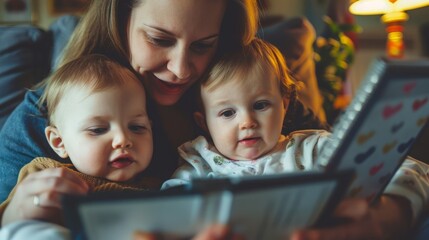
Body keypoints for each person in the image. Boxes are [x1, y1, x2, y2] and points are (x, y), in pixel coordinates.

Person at [0, 0, 426, 239]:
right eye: (160, 40)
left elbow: (354, 170)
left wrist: (385, 218)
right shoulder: (46, 114)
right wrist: (12, 215)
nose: (183, 68)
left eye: (204, 45)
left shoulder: (250, 88)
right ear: (120, 19)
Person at [1, 54, 155, 227]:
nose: (123, 140)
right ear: (59, 142)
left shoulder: (160, 187)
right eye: (98, 130)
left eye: (137, 127)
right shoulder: (46, 174)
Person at [162, 38, 331, 189]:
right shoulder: (200, 165)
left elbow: (348, 152)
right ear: (204, 123)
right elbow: (172, 206)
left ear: (284, 106)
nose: (248, 122)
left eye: (260, 105)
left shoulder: (307, 150)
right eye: (228, 113)